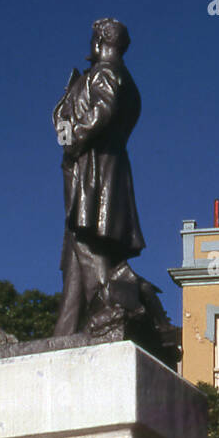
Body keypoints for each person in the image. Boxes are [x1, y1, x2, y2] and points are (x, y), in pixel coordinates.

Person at [53, 18, 144, 334]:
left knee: (87, 243)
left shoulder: (104, 74)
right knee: (76, 253)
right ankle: (66, 330)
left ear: (100, 41)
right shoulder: (126, 80)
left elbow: (101, 113)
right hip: (107, 168)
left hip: (94, 170)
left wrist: (72, 134)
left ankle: (116, 303)